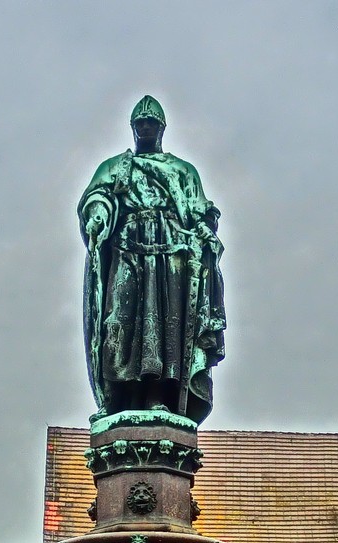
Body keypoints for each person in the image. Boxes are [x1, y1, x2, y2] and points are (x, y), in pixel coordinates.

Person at [79, 96, 226, 423]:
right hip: (128, 251)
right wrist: (98, 215)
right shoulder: (115, 167)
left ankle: (159, 397)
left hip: (170, 257)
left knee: (162, 331)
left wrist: (206, 227)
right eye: (140, 123)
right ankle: (121, 397)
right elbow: (97, 197)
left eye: (151, 123)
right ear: (133, 128)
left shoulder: (183, 171)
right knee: (120, 323)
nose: (145, 127)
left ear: (161, 128)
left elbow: (199, 210)